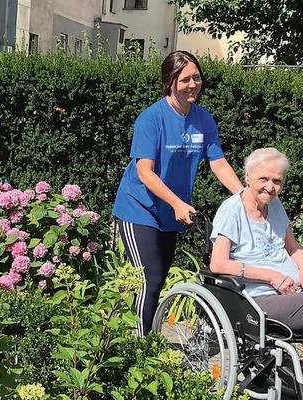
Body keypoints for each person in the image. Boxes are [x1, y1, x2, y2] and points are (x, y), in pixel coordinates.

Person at [112, 50, 243, 336]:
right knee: (149, 279)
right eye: (185, 79)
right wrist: (177, 203)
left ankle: (143, 337)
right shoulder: (151, 119)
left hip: (171, 210)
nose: (193, 84)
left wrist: (244, 197)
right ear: (170, 82)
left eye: (197, 78)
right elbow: (145, 172)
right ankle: (139, 346)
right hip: (139, 208)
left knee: (158, 280)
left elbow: (218, 163)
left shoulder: (204, 120)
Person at [210, 147, 303, 400]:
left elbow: (293, 246)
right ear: (247, 176)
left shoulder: (275, 205)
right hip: (257, 302)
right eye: (264, 179)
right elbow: (218, 264)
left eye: (277, 181)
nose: (270, 187)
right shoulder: (232, 210)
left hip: (293, 293)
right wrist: (272, 276)